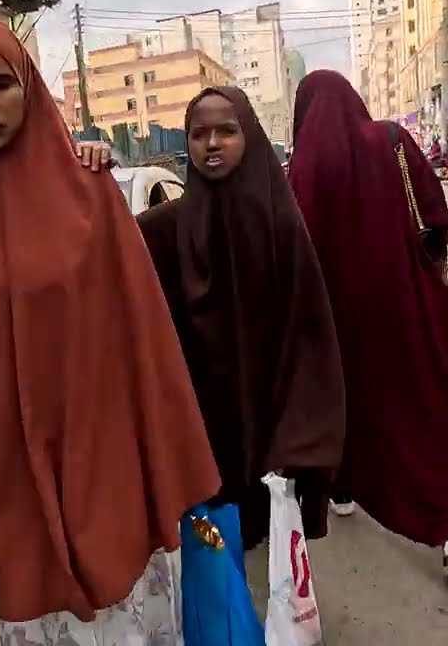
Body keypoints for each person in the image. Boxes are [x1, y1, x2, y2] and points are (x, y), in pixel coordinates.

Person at [0, 17, 219, 644]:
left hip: (101, 463)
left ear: (29, 85)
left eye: (0, 82)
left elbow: (144, 335)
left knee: (123, 621)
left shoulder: (88, 188)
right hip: (13, 476)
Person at [287, 69, 448, 579]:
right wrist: (432, 269)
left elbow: (294, 248)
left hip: (338, 319)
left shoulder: (302, 167)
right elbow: (434, 216)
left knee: (351, 405)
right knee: (432, 406)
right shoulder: (389, 139)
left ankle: (342, 488)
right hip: (407, 304)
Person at [135, 85, 348, 556]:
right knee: (212, 559)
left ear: (248, 135)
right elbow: (100, 251)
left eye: (226, 131)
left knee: (271, 560)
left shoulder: (281, 226)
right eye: (199, 134)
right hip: (199, 429)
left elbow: (308, 333)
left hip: (268, 427)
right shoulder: (162, 230)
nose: (212, 144)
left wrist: (300, 437)